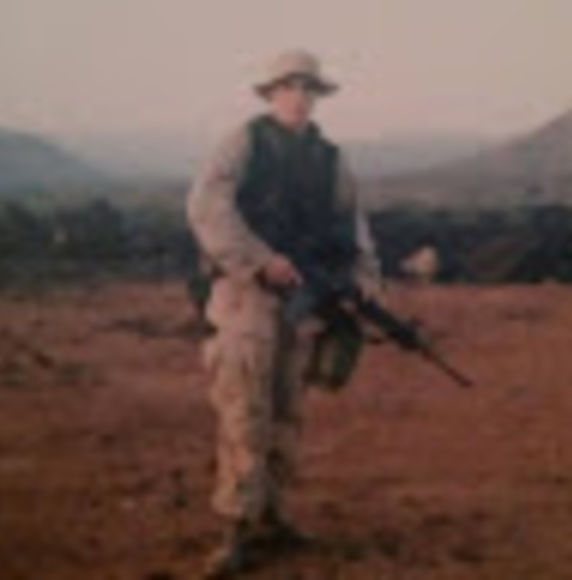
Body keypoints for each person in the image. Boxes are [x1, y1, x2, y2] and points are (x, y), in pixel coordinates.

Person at [186, 49, 382, 577]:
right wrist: (259, 260)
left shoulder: (329, 158)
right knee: (244, 411)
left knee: (287, 411)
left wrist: (362, 285)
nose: (300, 97)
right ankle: (235, 527)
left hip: (301, 304)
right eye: (290, 86)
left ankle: (273, 514)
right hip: (245, 297)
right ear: (272, 93)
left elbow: (353, 224)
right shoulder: (244, 143)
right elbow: (207, 207)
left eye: (308, 88)